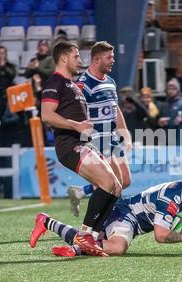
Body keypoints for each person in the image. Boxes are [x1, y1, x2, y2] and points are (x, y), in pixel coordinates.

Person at [40, 41, 122, 256]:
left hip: (84, 143)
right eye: (76, 56)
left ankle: (92, 238)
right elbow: (47, 115)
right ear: (64, 58)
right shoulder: (55, 82)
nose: (80, 61)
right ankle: (85, 235)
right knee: (106, 182)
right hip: (69, 145)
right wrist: (76, 125)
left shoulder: (73, 85)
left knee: (116, 186)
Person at [30, 175, 182, 257]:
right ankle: (76, 249)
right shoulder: (170, 201)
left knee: (99, 242)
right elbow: (161, 236)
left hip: (126, 211)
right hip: (125, 214)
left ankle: (46, 221)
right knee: (118, 248)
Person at [67, 41, 132, 217]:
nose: (113, 60)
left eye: (113, 56)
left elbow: (115, 108)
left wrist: (125, 133)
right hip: (96, 140)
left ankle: (80, 192)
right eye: (109, 57)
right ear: (96, 59)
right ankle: (104, 222)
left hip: (111, 137)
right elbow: (74, 112)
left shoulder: (110, 82)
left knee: (125, 180)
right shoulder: (83, 85)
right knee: (113, 183)